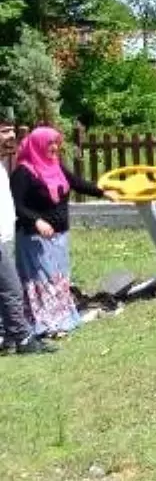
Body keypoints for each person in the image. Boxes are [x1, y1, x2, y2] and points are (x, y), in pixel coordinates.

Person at [11, 127, 118, 336]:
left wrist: (104, 192)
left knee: (58, 277)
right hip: (34, 238)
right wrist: (37, 221)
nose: (55, 147)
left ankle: (60, 319)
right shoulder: (23, 172)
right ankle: (44, 324)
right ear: (38, 145)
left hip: (59, 236)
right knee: (42, 280)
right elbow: (16, 205)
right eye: (50, 143)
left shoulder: (56, 165)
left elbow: (77, 183)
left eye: (57, 143)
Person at [0, 121, 54, 355]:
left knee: (5, 289)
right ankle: (22, 338)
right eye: (3, 132)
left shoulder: (2, 164)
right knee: (11, 288)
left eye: (12, 130)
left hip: (5, 236)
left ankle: (8, 337)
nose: (11, 136)